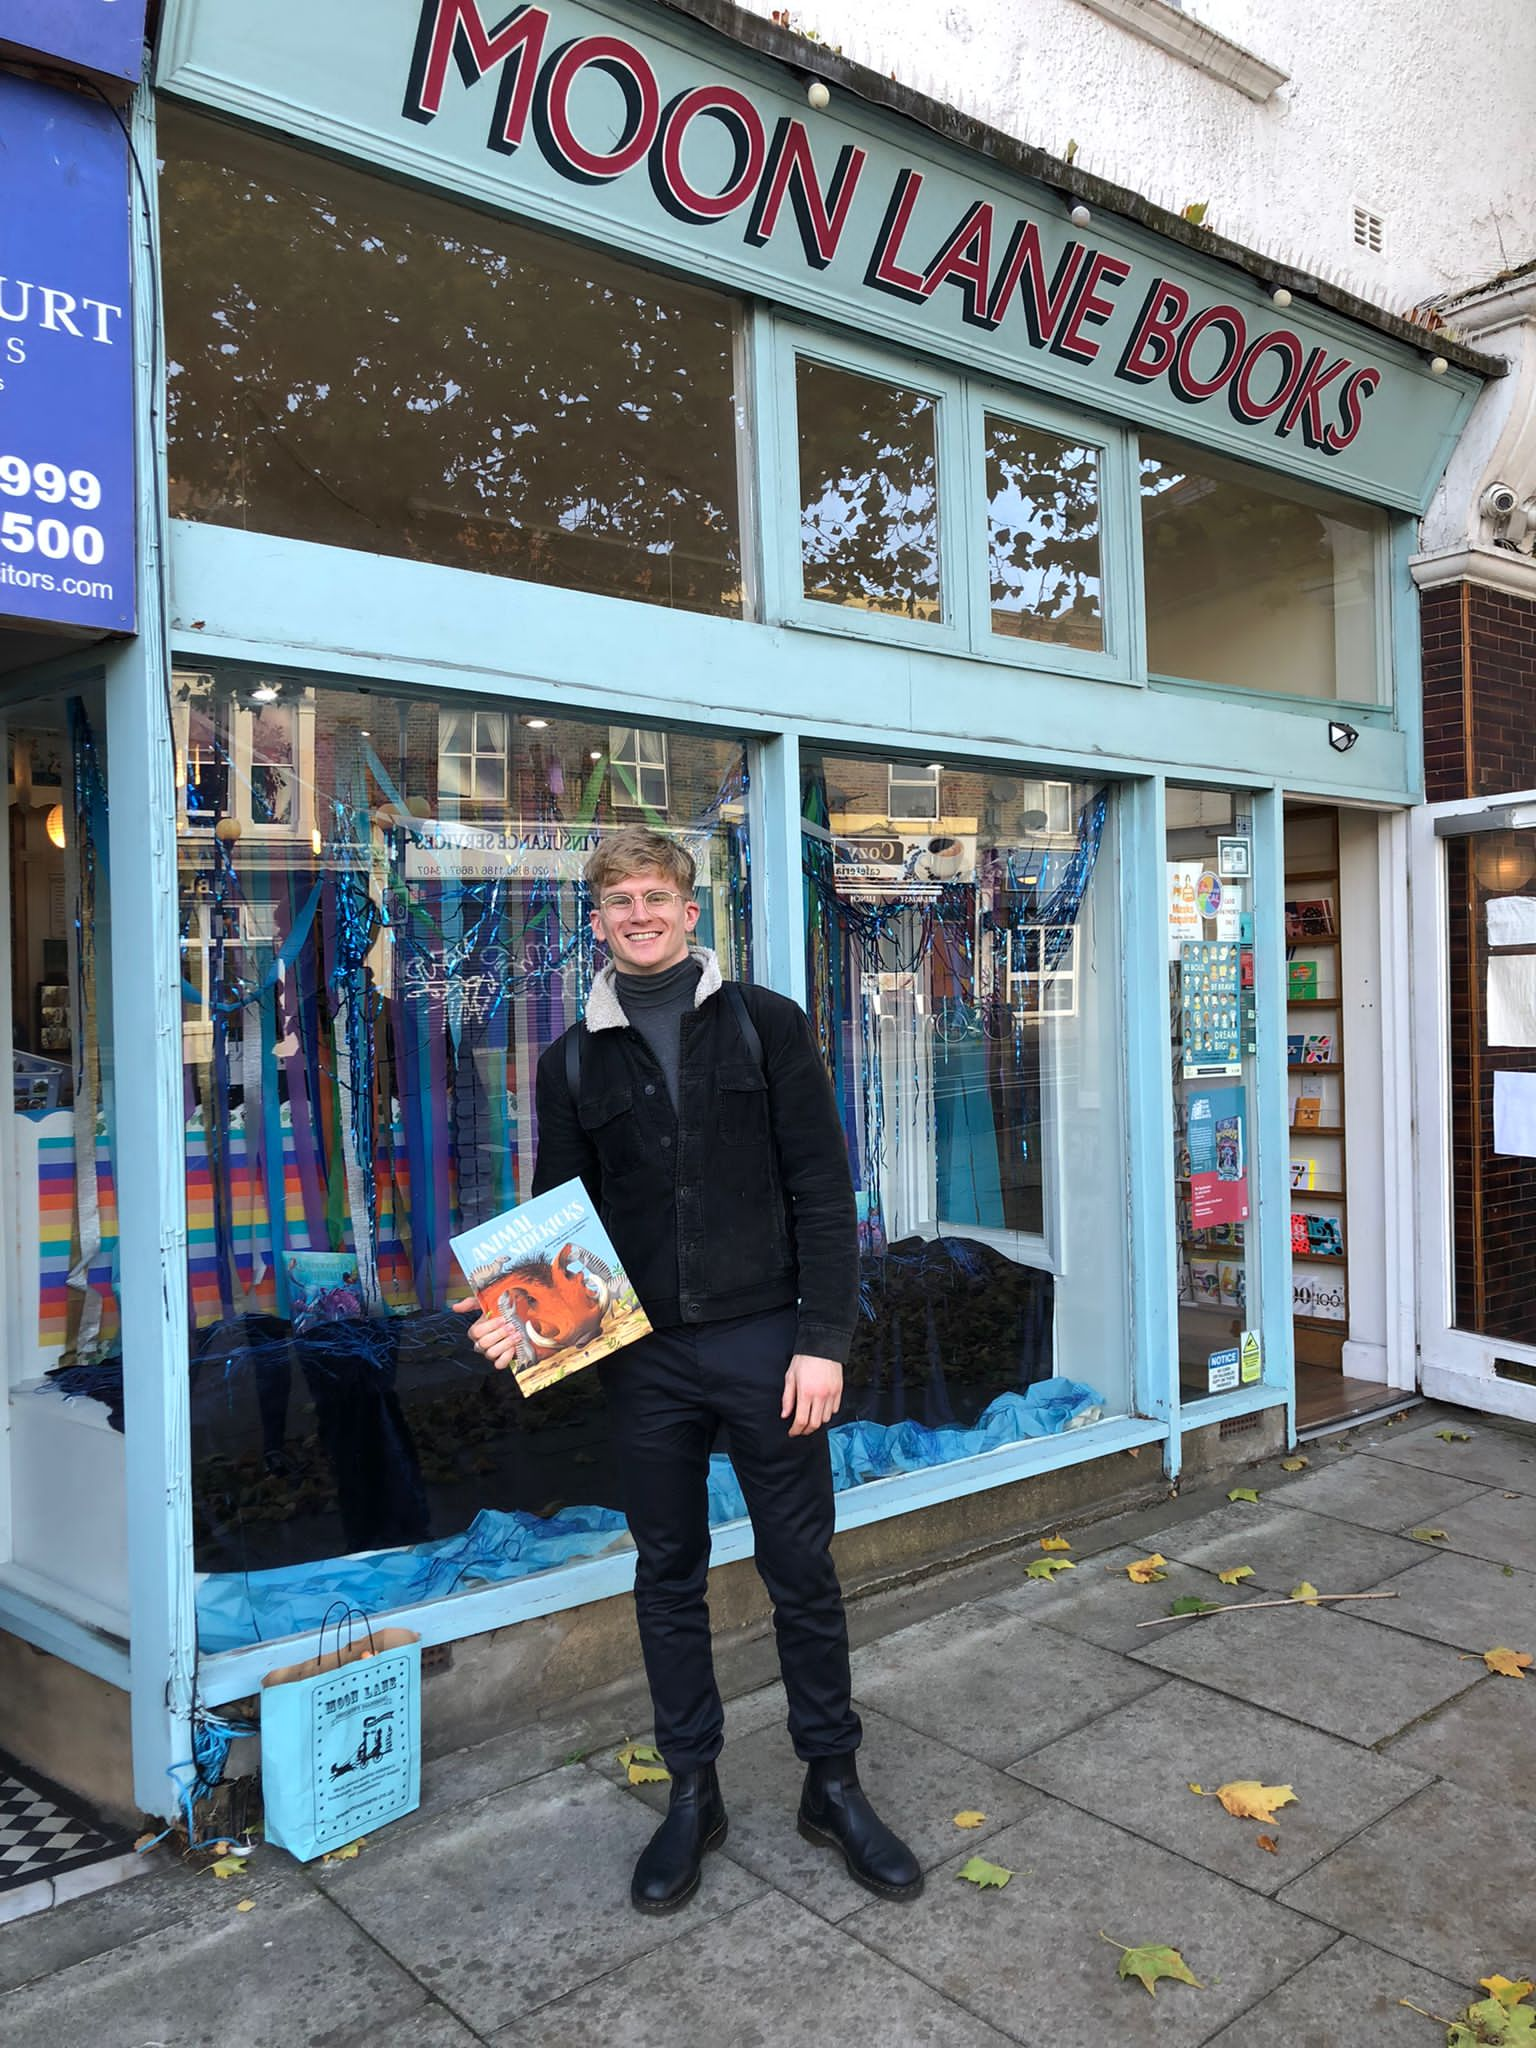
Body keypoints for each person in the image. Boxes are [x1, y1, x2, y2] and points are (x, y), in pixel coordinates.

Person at [456, 825, 921, 1914]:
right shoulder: (569, 1058)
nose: (639, 913)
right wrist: (519, 1319)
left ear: (689, 907)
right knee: (666, 1575)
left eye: (656, 893)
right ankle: (693, 1791)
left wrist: (824, 1340)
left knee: (800, 1568)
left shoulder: (767, 1025)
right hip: (649, 1363)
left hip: (770, 1345)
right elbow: (560, 1227)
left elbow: (821, 1189)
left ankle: (832, 1780)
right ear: (600, 919)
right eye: (618, 899)